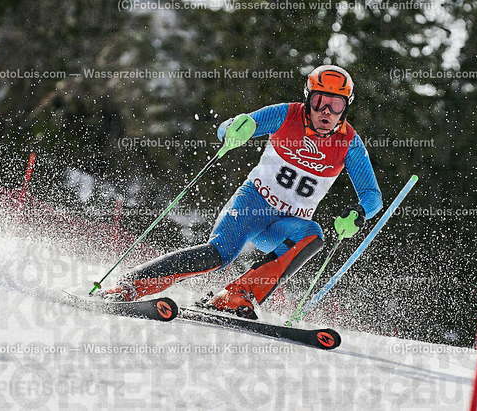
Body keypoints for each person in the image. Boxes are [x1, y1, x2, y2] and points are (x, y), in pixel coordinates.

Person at [97, 65, 383, 319]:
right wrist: (235, 130)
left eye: (335, 104)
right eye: (320, 101)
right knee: (220, 254)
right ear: (308, 99)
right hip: (252, 206)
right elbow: (229, 127)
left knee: (312, 234)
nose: (326, 111)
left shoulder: (350, 143)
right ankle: (130, 285)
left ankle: (235, 295)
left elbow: (373, 196)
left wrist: (359, 213)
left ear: (345, 107)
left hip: (284, 227)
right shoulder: (286, 114)